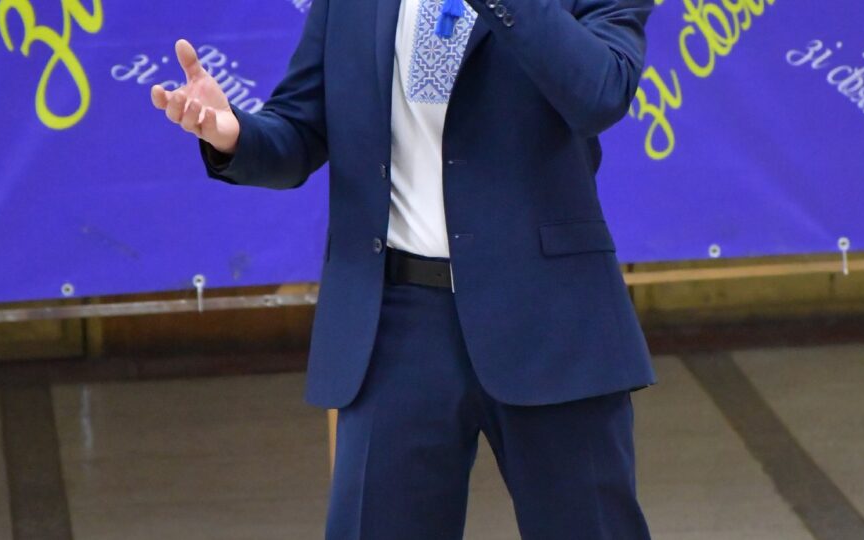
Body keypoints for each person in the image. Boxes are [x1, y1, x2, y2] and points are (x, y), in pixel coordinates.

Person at [151, 0, 657, 535]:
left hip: (548, 316)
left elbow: (600, 94)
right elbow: (298, 127)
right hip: (395, 322)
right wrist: (232, 134)